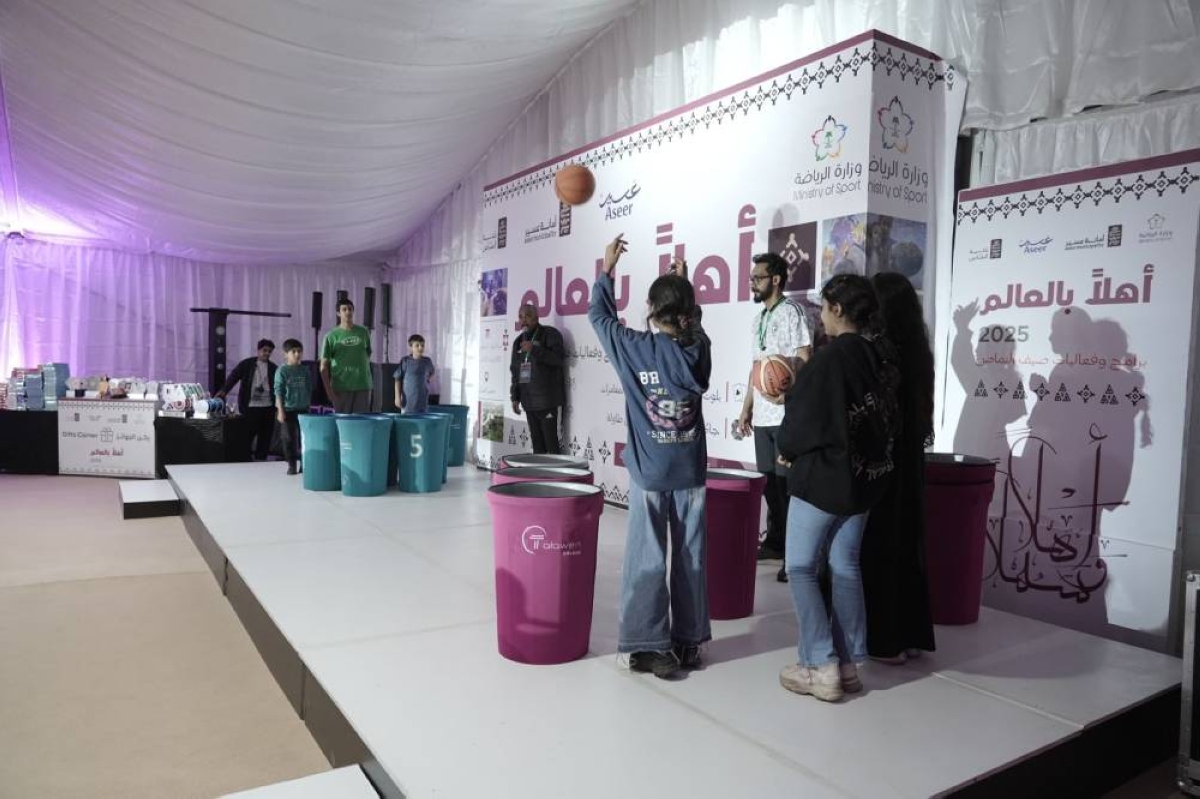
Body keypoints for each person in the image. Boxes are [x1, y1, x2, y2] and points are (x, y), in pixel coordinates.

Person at [589, 234, 712, 679]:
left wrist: (607, 270)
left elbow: (599, 316)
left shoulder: (633, 347)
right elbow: (692, 324)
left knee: (647, 556)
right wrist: (686, 287)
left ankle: (647, 646)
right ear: (687, 313)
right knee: (692, 557)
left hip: (649, 473)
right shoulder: (699, 349)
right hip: (690, 470)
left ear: (650, 310)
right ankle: (689, 641)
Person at [776, 274, 899, 702]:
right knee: (845, 564)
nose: (821, 316)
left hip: (825, 481)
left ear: (838, 310)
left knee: (800, 567)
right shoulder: (879, 355)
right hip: (866, 479)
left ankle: (820, 665)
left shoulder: (829, 360)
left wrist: (786, 449)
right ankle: (847, 666)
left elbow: (800, 424)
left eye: (824, 308)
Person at [862, 273, 936, 663]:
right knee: (907, 544)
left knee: (880, 545)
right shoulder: (918, 351)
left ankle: (885, 641)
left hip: (885, 462)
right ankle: (911, 636)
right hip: (911, 462)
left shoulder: (880, 351)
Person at [734, 253, 811, 574]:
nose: (752, 283)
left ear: (776, 280)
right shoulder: (757, 320)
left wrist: (787, 392)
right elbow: (758, 371)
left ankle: (795, 554)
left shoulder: (792, 311)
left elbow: (804, 357)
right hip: (763, 417)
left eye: (758, 278)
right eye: (751, 278)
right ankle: (776, 543)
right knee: (769, 484)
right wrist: (746, 410)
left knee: (787, 486)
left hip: (787, 415)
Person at [509, 303, 565, 454]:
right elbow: (515, 372)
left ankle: (555, 471)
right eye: (521, 316)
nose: (524, 320)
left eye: (528, 316)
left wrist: (534, 349)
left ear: (536, 317)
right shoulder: (518, 342)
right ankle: (539, 471)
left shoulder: (550, 334)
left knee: (552, 448)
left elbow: (558, 359)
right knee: (538, 448)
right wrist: (515, 397)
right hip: (529, 404)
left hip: (548, 402)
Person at [216, 339, 277, 461]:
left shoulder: (273, 368)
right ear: (258, 350)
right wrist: (223, 391)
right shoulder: (247, 364)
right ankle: (245, 459)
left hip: (268, 407)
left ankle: (261, 460)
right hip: (250, 406)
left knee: (265, 437)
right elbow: (233, 378)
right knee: (247, 435)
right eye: (264, 350)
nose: (267, 353)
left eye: (269, 351)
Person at [320, 298, 373, 413]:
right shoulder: (330, 336)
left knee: (361, 420)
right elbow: (323, 366)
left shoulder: (363, 332)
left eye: (350, 309)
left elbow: (368, 353)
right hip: (341, 387)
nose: (348, 312)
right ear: (338, 313)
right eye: (344, 309)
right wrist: (329, 391)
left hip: (363, 385)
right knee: (343, 420)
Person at [274, 339, 312, 475]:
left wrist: (308, 404)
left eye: (299, 351)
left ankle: (304, 464)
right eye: (293, 351)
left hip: (303, 409)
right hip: (288, 410)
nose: (297, 354)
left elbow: (309, 388)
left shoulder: (305, 370)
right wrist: (280, 410)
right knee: (288, 438)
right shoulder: (282, 371)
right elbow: (278, 391)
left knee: (304, 438)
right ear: (286, 354)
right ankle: (291, 464)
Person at [393, 334, 436, 413]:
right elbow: (397, 379)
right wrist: (397, 397)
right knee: (407, 419)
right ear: (411, 347)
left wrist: (429, 378)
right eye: (417, 345)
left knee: (422, 419)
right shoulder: (405, 361)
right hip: (407, 402)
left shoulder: (427, 361)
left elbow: (432, 372)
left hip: (422, 402)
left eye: (422, 345)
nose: (420, 348)